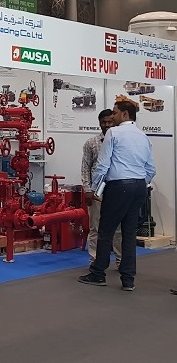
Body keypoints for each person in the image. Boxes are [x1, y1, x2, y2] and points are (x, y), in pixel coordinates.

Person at [79, 100, 155, 291]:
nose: (112, 116)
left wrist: (96, 190)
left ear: (125, 114)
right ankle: (128, 279)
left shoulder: (114, 133)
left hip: (118, 186)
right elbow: (151, 169)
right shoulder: (143, 136)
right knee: (129, 234)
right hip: (139, 186)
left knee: (105, 231)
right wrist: (139, 183)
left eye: (115, 112)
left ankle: (98, 273)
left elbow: (103, 165)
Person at [82, 109, 122, 265]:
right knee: (95, 228)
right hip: (96, 191)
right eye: (103, 122)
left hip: (116, 189)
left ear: (114, 122)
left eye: (110, 122)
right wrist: (87, 189)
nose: (107, 125)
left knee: (118, 228)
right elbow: (85, 168)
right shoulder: (91, 143)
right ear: (99, 123)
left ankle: (120, 260)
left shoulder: (121, 141)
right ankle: (95, 260)